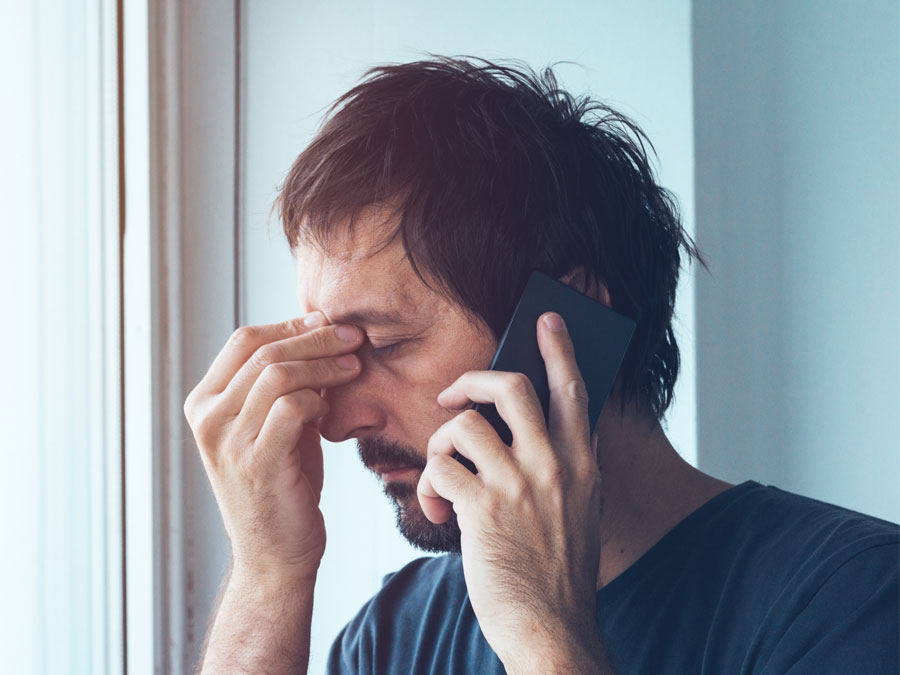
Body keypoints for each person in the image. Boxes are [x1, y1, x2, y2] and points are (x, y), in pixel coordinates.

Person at [183, 57, 899, 674]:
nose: (336, 420)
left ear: (562, 327)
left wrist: (544, 636)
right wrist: (266, 575)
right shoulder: (397, 633)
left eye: (387, 344)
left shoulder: (854, 601)